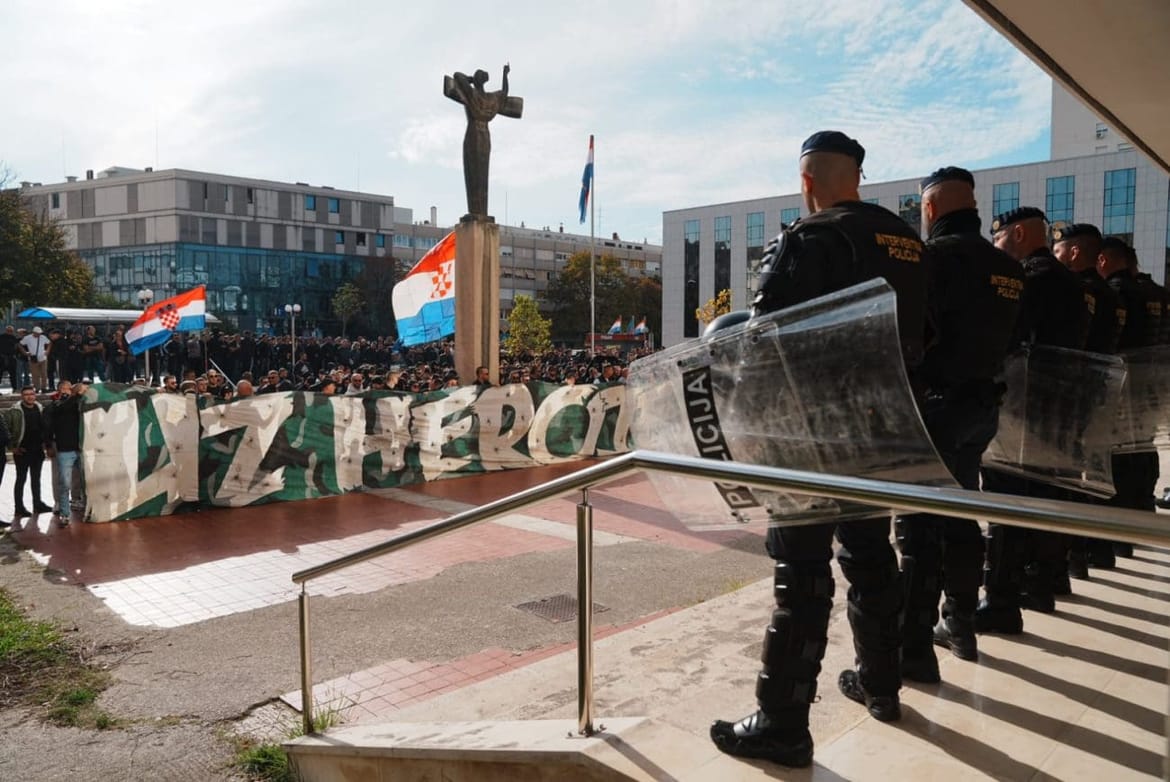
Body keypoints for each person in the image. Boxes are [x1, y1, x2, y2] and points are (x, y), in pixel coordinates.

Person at [710, 131, 927, 768]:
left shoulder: (810, 238)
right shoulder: (911, 245)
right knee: (870, 556)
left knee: (801, 575)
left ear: (807, 181)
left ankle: (782, 722)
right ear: (856, 177)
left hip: (808, 431)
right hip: (881, 428)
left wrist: (743, 421)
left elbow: (758, 342)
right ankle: (882, 685)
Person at [893, 167, 1023, 682]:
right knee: (963, 513)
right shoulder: (1009, 269)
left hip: (938, 407)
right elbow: (1014, 344)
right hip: (982, 409)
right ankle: (961, 624)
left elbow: (910, 334)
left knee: (921, 527)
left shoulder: (932, 259)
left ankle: (914, 650)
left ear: (929, 210)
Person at [976, 206, 1089, 633]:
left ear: (1019, 234)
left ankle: (1002, 602)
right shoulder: (1071, 282)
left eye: (999, 238)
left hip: (1024, 413)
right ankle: (1042, 582)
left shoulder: (1030, 278)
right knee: (1045, 500)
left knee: (1009, 506)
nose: (997, 248)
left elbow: (1010, 342)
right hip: (1060, 412)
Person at [1052, 223, 1125, 579]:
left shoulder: (1078, 290)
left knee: (1069, 481)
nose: (1057, 257)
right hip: (1100, 398)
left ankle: (1072, 555)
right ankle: (1085, 552)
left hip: (1071, 399)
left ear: (1075, 252)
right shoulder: (1110, 294)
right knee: (1088, 476)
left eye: (1059, 250)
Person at [3, 386, 53, 518]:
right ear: (21, 396)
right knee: (21, 479)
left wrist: (46, 445)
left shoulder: (40, 408)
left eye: (32, 394)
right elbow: (6, 430)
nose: (30, 396)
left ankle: (38, 504)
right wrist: (12, 447)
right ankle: (19, 507)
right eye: (26, 394)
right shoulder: (14, 411)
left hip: (37, 450)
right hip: (22, 450)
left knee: (36, 479)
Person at [44, 379, 87, 527]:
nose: (67, 391)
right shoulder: (55, 406)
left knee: (83, 481)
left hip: (81, 449)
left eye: (69, 389)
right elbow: (51, 422)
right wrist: (48, 444)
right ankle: (64, 512)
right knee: (64, 482)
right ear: (59, 391)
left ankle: (81, 504)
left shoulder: (78, 404)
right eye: (64, 389)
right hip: (64, 450)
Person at [19, 326, 50, 393]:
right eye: (37, 333)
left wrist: (47, 351)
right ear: (34, 332)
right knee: (35, 374)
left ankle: (44, 387)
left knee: (44, 373)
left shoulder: (43, 337)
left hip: (43, 358)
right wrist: (25, 352)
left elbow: (49, 343)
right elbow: (20, 344)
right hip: (33, 359)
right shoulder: (27, 338)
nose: (39, 334)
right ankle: (37, 388)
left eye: (40, 333)